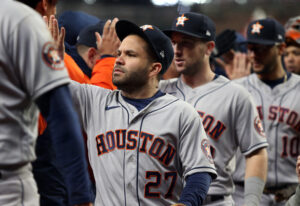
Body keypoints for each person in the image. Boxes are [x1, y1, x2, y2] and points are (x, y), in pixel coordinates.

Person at [68, 19, 217, 205]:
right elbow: (43, 83)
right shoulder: (92, 100)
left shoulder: (181, 113)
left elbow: (200, 172)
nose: (119, 60)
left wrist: (187, 203)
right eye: (118, 53)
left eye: (130, 55)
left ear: (154, 68)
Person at [160, 12, 269, 205]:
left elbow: (255, 152)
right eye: (174, 43)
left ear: (209, 47)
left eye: (186, 43)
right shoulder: (160, 91)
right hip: (169, 199)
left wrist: (251, 202)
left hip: (215, 199)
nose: (177, 50)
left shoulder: (235, 94)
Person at [0, 0, 92, 206]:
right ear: (43, 5)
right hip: (8, 182)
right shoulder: (21, 19)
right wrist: (81, 196)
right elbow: (61, 115)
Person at [232, 18, 300, 206]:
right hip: (242, 193)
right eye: (250, 48)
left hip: (292, 194)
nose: (254, 55)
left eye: (261, 48)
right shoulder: (235, 90)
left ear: (280, 49)